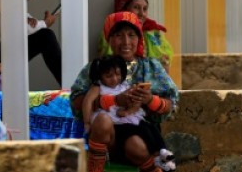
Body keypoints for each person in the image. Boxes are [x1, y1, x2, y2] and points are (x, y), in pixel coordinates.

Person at [71, 12, 179, 172]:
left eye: (131, 35)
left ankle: (153, 167)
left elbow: (171, 104)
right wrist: (113, 101)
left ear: (139, 38)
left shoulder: (151, 67)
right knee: (102, 120)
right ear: (109, 39)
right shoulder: (97, 67)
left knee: (136, 146)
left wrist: (150, 100)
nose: (126, 42)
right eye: (118, 35)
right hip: (108, 138)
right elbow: (76, 101)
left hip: (141, 133)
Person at [98, 0, 174, 72]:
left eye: (145, 9)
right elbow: (106, 68)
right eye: (136, 7)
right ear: (124, 9)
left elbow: (165, 68)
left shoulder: (153, 33)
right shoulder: (111, 32)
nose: (142, 13)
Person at [82, 55, 144, 136]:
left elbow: (135, 102)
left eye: (118, 74)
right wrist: (87, 122)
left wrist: (128, 111)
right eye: (108, 76)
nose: (114, 79)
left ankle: (160, 147)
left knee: (146, 128)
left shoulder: (124, 85)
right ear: (100, 76)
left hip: (125, 116)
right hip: (108, 120)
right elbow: (87, 102)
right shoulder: (98, 87)